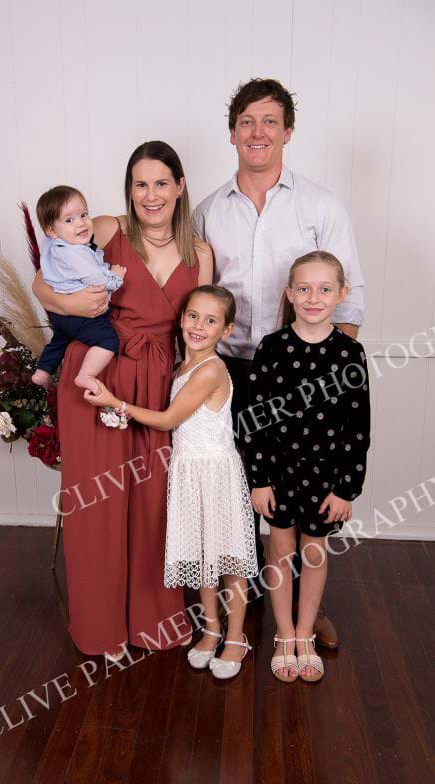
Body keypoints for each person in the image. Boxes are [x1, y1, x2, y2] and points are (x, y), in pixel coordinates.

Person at [192, 77, 365, 649]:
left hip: (304, 371)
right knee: (241, 485)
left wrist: (329, 376)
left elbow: (350, 298)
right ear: (232, 134)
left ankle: (305, 611)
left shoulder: (321, 204)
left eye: (270, 121)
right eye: (247, 122)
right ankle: (244, 600)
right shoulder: (208, 211)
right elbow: (196, 293)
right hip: (230, 367)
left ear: (288, 131)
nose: (258, 132)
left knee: (305, 484)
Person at [32, 141, 213, 658]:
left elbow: (201, 333)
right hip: (96, 377)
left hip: (157, 384)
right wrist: (72, 304)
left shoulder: (200, 253)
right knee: (99, 504)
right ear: (129, 191)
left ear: (180, 187)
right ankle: (102, 627)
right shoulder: (108, 230)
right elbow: (42, 282)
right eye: (140, 184)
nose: (151, 195)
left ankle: (154, 620)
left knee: (155, 502)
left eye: (161, 183)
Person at [85, 285, 258, 679]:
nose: (198, 326)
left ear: (226, 330)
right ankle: (211, 630)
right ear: (181, 319)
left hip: (214, 473)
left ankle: (236, 636)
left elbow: (167, 420)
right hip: (187, 472)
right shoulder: (182, 365)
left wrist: (115, 402)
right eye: (193, 316)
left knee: (228, 558)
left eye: (211, 321)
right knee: (202, 557)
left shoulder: (211, 369)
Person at [246, 251, 370, 681]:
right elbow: (254, 421)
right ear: (289, 293)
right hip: (279, 474)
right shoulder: (271, 348)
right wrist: (259, 480)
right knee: (280, 550)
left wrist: (346, 488)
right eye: (304, 288)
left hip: (326, 476)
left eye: (324, 289)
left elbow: (358, 428)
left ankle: (305, 634)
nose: (313, 298)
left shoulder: (350, 353)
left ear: (341, 294)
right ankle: (284, 635)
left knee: (314, 553)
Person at [31, 185, 126, 393]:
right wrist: (116, 277)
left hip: (60, 315)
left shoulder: (54, 245)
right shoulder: (76, 254)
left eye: (84, 215)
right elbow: (99, 280)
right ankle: (86, 374)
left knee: (60, 339)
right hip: (81, 315)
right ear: (52, 230)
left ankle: (42, 372)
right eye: (69, 220)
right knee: (108, 340)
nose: (81, 223)